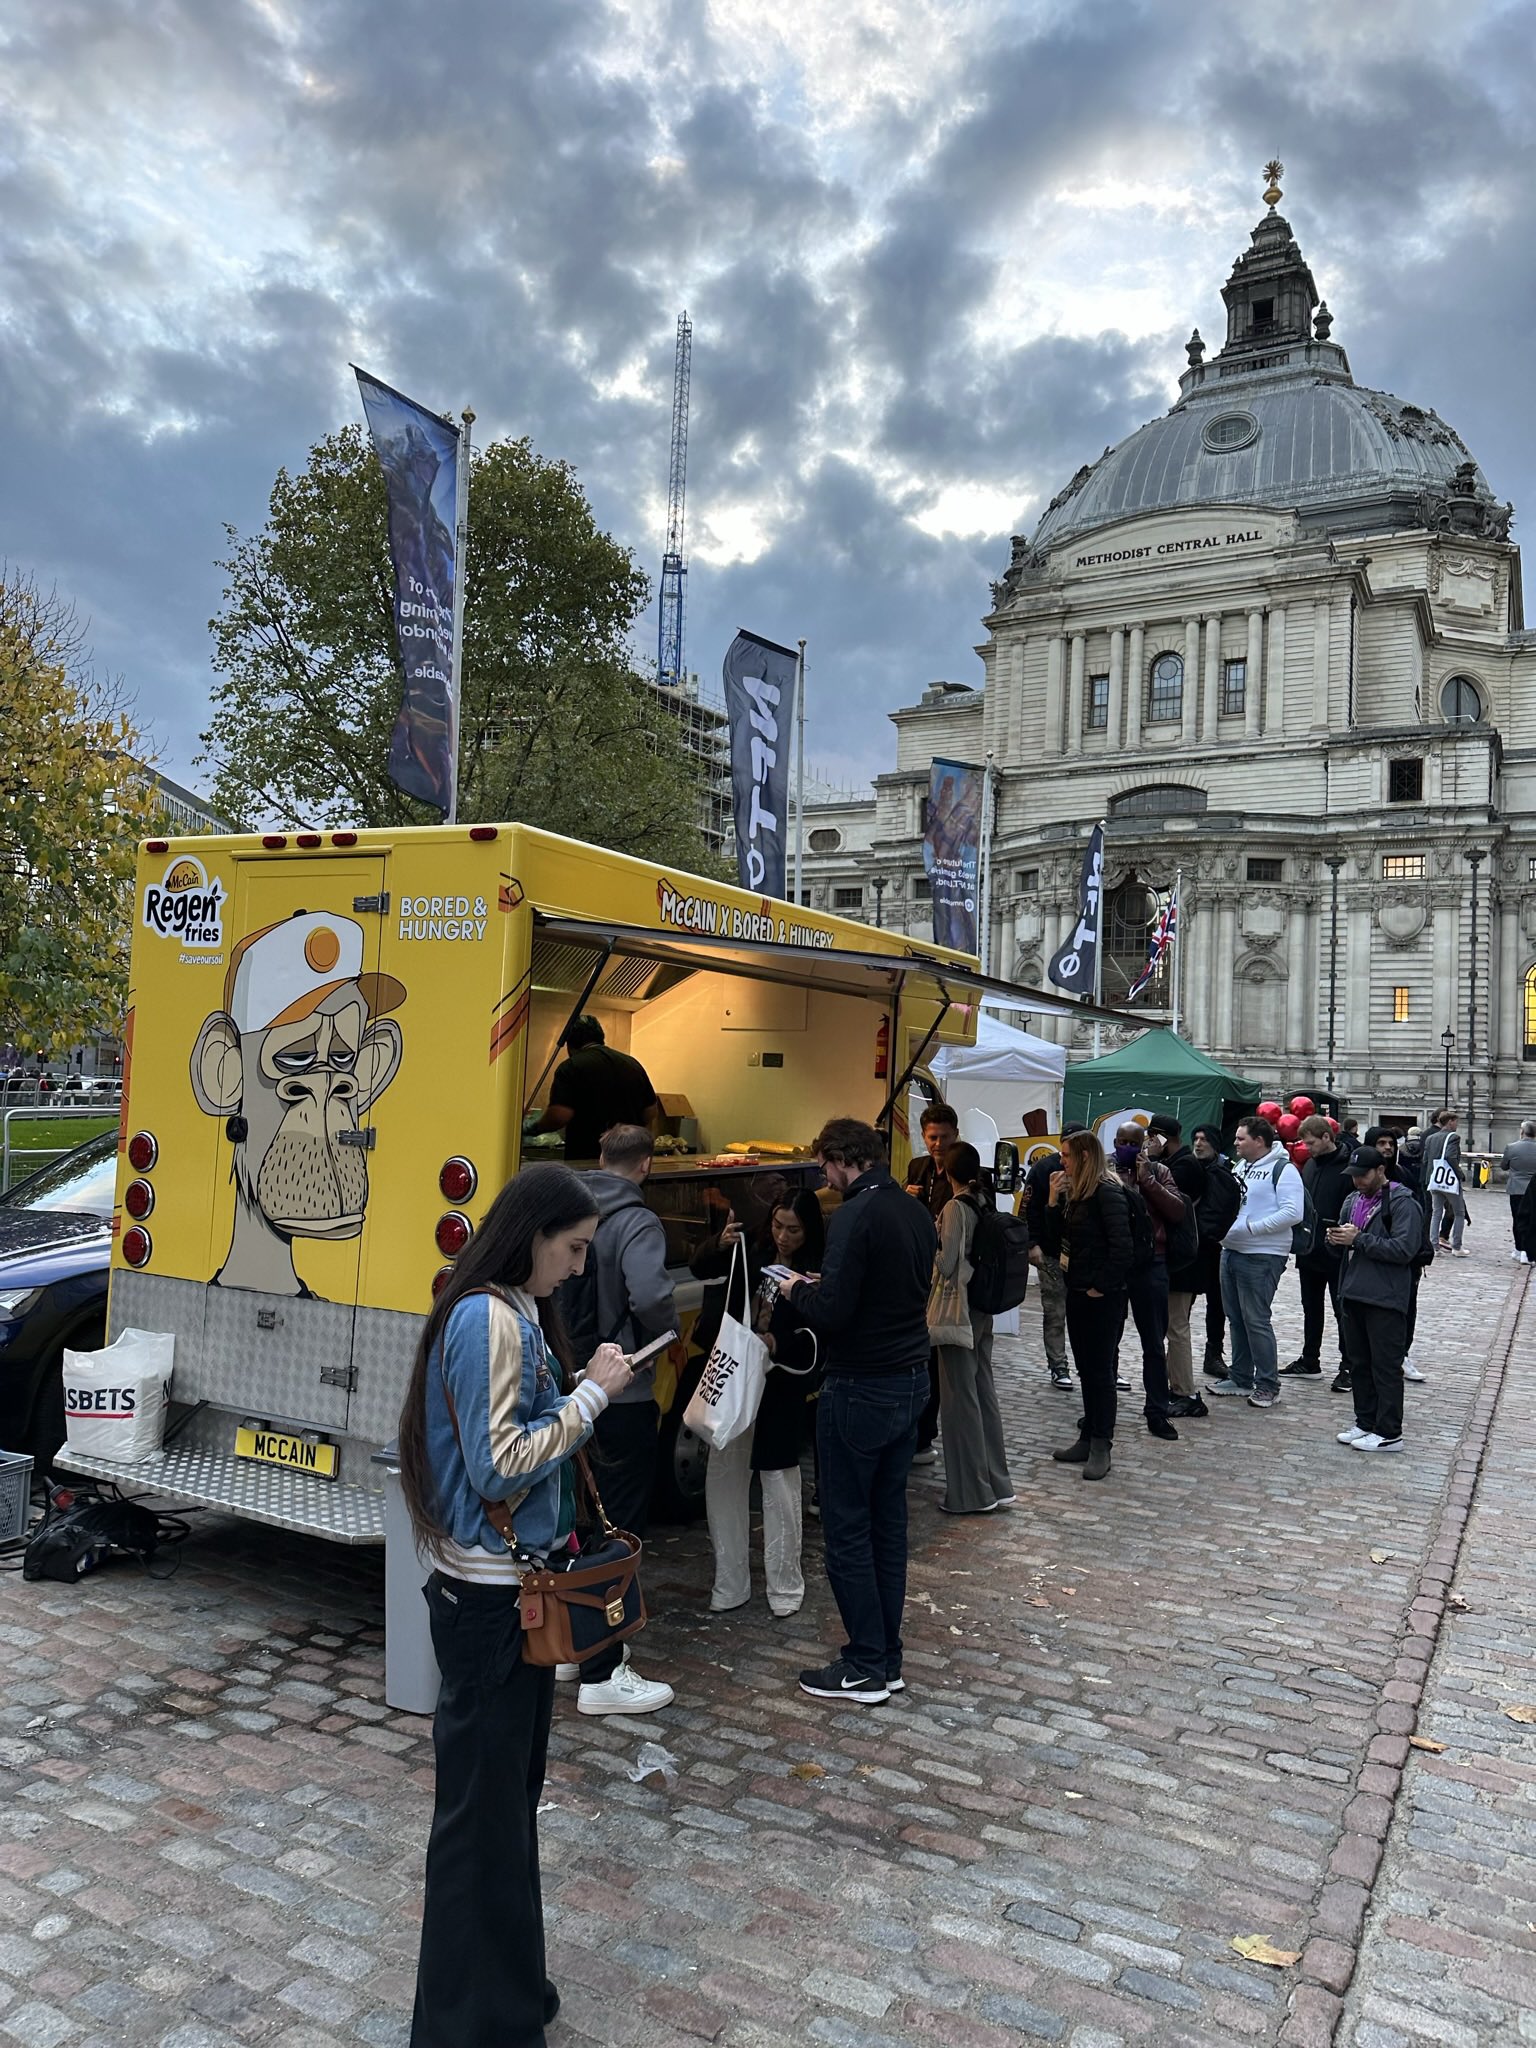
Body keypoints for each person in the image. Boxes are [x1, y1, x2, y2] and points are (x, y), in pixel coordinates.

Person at [398, 1164, 637, 2048]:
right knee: (482, 1823)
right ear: (532, 1234)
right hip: (493, 1605)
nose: (578, 1266)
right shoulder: (491, 1318)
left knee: (497, 1812)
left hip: (497, 1599)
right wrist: (592, 1397)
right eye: (572, 1249)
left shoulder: (501, 1313)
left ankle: (496, 2000)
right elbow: (500, 1464)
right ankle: (470, 2023)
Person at [780, 1118, 936, 1705]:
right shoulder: (914, 1209)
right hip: (910, 1377)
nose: (823, 1177)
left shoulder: (853, 1215)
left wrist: (798, 1290)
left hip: (861, 1383)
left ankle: (866, 1662)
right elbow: (891, 1288)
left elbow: (836, 1311)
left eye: (824, 1166)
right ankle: (886, 1657)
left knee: (847, 1529)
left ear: (843, 1159)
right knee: (887, 1526)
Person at [554, 1125, 676, 1715]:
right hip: (621, 1389)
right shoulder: (637, 1221)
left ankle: (570, 1646)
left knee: (577, 1518)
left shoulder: (569, 1211)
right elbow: (651, 1294)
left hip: (573, 1385)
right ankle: (604, 1668)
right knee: (618, 1528)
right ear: (646, 1164)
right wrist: (662, 1335)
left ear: (600, 1156)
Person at [694, 1190, 823, 1615]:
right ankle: (729, 1581)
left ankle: (784, 1585)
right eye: (777, 1225)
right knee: (725, 1472)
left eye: (794, 1229)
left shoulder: (819, 1268)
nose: (783, 1236)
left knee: (777, 1480)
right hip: (736, 1371)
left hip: (779, 1383)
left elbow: (819, 1335)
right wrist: (720, 1244)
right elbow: (702, 1267)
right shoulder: (751, 1248)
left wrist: (778, 1342)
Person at [1038, 1128, 1133, 1480]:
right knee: (1086, 1370)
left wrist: (1100, 1286)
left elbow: (1123, 1248)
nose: (1061, 1161)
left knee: (1101, 1372)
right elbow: (1055, 1242)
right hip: (1077, 1289)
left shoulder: (1108, 1194)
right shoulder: (1076, 1194)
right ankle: (1087, 1434)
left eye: (1066, 1155)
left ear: (1085, 1157)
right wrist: (1052, 1201)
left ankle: (1101, 1442)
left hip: (1101, 1297)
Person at [928, 1142, 1015, 1514]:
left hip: (956, 1312)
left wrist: (929, 1239)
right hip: (982, 1310)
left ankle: (970, 1494)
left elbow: (947, 1264)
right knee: (983, 1393)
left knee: (958, 1402)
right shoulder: (984, 1199)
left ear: (947, 1172)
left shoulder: (953, 1207)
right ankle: (998, 1482)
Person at [1331, 1150, 1423, 1454]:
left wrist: (1358, 1240)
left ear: (1381, 1170)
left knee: (1385, 1367)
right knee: (1359, 1364)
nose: (1358, 1181)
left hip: (1385, 1296)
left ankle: (1389, 1431)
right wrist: (1334, 1240)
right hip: (1353, 1291)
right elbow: (1347, 1246)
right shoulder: (1352, 1200)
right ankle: (1365, 1421)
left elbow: (1404, 1249)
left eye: (1364, 1174)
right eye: (1354, 1175)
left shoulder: (1402, 1202)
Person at [1212, 1115, 1305, 1409]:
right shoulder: (1241, 1167)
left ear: (1259, 1141)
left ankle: (1268, 1384)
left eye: (1241, 1138)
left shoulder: (1284, 1169)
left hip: (1263, 1253)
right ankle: (1240, 1377)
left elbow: (1293, 1212)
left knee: (1256, 1319)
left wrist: (1253, 1228)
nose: (1236, 1143)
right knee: (1236, 1317)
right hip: (1231, 1250)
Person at [1108, 1124, 1183, 1440]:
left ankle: (1157, 1410)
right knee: (1107, 1340)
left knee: (1153, 1341)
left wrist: (1146, 1179)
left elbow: (1177, 1211)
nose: (1127, 1147)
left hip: (1152, 1262)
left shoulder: (1159, 1171)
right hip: (1114, 1264)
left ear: (1145, 1145)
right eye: (1122, 1142)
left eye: (1133, 1143)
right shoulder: (1105, 1169)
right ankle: (1102, 1409)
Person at [1282, 1116, 1358, 1388]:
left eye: (1311, 1142)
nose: (1308, 1147)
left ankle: (1349, 1365)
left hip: (1338, 1252)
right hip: (1310, 1249)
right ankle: (1309, 1359)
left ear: (1327, 1137)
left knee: (1343, 1312)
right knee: (1311, 1308)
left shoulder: (1349, 1167)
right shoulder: (1310, 1166)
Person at [1145, 1115, 1210, 1419]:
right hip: (1176, 1260)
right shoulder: (1180, 1162)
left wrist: (1152, 1163)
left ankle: (1186, 1391)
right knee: (1172, 1325)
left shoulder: (1183, 1167)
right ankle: (1176, 1386)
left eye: (1149, 1138)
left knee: (1177, 1327)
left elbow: (1164, 1204)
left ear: (1159, 1137)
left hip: (1182, 1262)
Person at [905, 1102, 958, 1459]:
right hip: (916, 1274)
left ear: (955, 1135)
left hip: (946, 1278)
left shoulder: (966, 1172)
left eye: (943, 1137)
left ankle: (925, 1433)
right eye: (931, 1137)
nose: (937, 1144)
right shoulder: (917, 1167)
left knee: (935, 1359)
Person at [533, 1016, 658, 1162]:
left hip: (588, 1158)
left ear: (569, 1044)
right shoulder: (633, 1064)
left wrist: (533, 1128)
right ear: (600, 1037)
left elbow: (559, 1116)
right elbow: (650, 1112)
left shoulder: (571, 1067)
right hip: (629, 1161)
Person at [1362, 1127, 1431, 1383]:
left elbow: (1421, 1211)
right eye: (1381, 1143)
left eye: (1390, 1143)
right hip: (1368, 1255)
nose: (1388, 1148)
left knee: (1405, 1308)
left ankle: (1401, 1354)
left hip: (1404, 1256)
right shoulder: (1360, 1180)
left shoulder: (1403, 1176)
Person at [1022, 1125, 1084, 1390]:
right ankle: (1058, 1364)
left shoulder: (1094, 1172)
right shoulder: (1044, 1169)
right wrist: (1031, 1243)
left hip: (1082, 1255)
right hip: (1051, 1252)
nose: (1064, 1158)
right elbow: (1027, 1208)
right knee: (1055, 1310)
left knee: (1083, 1314)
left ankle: (1094, 1365)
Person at [1191, 1124, 1235, 1377]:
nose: (1199, 1143)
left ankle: (1213, 1353)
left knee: (1216, 1304)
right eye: (1196, 1139)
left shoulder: (1222, 1172)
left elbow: (1221, 1211)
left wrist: (1207, 1234)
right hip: (1191, 1246)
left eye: (1204, 1139)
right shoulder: (1189, 1167)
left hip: (1213, 1247)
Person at [1422, 1110, 1467, 1256]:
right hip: (1449, 1180)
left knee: (1436, 1212)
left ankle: (1434, 1246)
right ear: (1450, 1122)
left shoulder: (1431, 1138)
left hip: (1434, 1179)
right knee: (1459, 1212)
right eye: (1456, 1122)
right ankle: (1457, 1247)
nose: (1457, 1125)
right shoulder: (1453, 1137)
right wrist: (1460, 1174)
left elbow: (1425, 1159)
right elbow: (1450, 1157)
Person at [1498, 1120, 1536, 1262]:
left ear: (1522, 1132)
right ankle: (1529, 1250)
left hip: (1517, 1188)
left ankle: (1519, 1248)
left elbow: (1504, 1166)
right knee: (1532, 1219)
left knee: (1518, 1218)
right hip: (1533, 1188)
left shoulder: (1511, 1147)